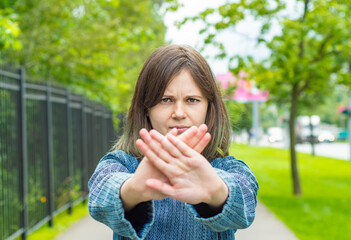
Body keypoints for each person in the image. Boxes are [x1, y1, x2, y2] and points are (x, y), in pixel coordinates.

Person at [88, 44, 259, 240]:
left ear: (209, 108)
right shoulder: (121, 164)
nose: (179, 113)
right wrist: (134, 189)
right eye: (166, 100)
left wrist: (216, 192)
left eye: (192, 100)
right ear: (146, 108)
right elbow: (99, 195)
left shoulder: (229, 168)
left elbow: (246, 199)